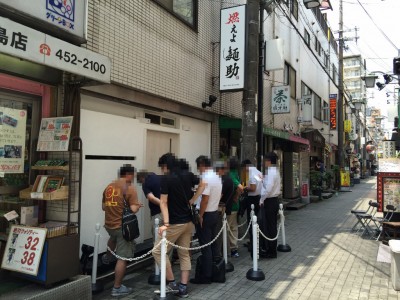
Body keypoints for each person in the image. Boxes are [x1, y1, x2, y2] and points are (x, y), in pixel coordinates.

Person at [152, 153, 194, 298]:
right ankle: (183, 288)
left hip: (175, 223)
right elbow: (202, 184)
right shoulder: (187, 175)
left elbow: (163, 202)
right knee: (184, 254)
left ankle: (172, 283)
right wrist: (193, 200)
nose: (162, 170)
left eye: (162, 167)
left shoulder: (167, 179)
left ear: (165, 166)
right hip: (188, 222)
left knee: (157, 252)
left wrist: (166, 223)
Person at [102, 164, 143, 297]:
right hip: (122, 227)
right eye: (133, 176)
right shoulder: (129, 188)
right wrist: (137, 206)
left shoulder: (109, 187)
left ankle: (107, 258)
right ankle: (117, 287)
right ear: (129, 174)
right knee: (123, 258)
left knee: (112, 239)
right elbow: (132, 209)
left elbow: (104, 206)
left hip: (109, 224)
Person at [189, 155, 222, 284]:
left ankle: (206, 276)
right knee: (213, 243)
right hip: (214, 213)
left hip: (206, 214)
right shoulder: (216, 177)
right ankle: (214, 270)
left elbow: (205, 200)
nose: (199, 170)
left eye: (199, 167)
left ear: (202, 165)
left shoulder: (207, 178)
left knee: (205, 245)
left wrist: (200, 215)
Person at [260, 152, 281, 259]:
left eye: (265, 160)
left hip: (270, 201)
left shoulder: (271, 172)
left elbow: (268, 189)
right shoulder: (274, 171)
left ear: (268, 161)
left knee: (270, 226)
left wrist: (261, 200)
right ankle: (271, 249)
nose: (264, 163)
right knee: (271, 226)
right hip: (273, 200)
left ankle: (271, 251)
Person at [241, 159, 263, 252]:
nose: (243, 170)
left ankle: (253, 244)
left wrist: (244, 188)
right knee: (256, 221)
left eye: (243, 168)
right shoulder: (258, 172)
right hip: (258, 198)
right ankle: (255, 241)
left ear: (246, 166)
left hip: (252, 200)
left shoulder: (251, 173)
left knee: (251, 221)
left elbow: (253, 188)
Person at [215, 160, 235, 258]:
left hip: (222, 209)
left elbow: (219, 195)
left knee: (221, 232)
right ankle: (226, 253)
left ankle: (222, 254)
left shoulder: (224, 180)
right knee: (224, 231)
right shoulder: (229, 179)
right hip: (227, 207)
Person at [136, 171, 162, 237]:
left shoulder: (145, 183)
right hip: (170, 212)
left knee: (157, 236)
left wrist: (163, 205)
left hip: (157, 212)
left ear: (142, 178)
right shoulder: (158, 177)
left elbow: (152, 198)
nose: (141, 183)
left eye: (140, 181)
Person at [227, 157, 243, 257]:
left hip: (230, 205)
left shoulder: (230, 174)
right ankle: (234, 248)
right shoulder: (236, 173)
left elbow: (240, 187)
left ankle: (230, 249)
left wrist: (236, 196)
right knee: (234, 227)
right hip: (235, 206)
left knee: (229, 227)